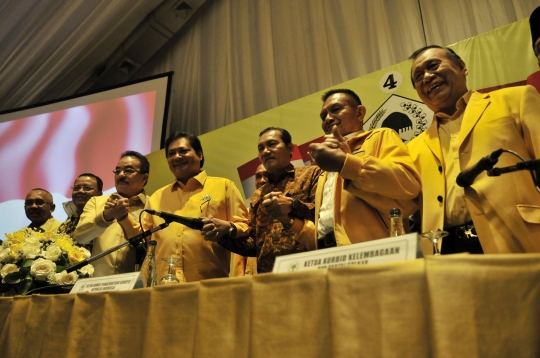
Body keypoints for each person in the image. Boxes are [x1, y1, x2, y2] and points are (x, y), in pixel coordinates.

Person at [408, 45, 540, 254]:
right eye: (418, 76)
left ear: (461, 66)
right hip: (446, 251)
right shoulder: (413, 147)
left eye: (433, 66)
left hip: (519, 237)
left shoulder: (517, 98)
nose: (426, 77)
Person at [292, 89, 420, 249]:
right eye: (323, 116)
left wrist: (347, 162)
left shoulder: (381, 136)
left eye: (336, 109)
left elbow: (408, 185)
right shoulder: (323, 165)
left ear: (360, 113)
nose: (328, 118)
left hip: (377, 251)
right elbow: (328, 225)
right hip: (329, 255)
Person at [120, 132, 250, 282]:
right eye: (171, 154)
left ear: (200, 154)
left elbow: (245, 226)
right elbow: (142, 238)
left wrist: (229, 228)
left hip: (209, 284)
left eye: (183, 151)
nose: (176, 157)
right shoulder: (158, 196)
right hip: (163, 285)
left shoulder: (224, 187)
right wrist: (123, 217)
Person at [209, 127, 322, 273]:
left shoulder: (312, 174)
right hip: (269, 279)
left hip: (309, 270)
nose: (266, 151)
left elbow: (323, 216)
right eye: (261, 148)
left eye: (272, 144)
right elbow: (254, 245)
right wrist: (223, 234)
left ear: (289, 148)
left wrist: (293, 205)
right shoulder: (257, 195)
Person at [74, 151, 150, 276]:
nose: (121, 175)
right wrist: (106, 217)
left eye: (129, 171)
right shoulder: (96, 202)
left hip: (136, 287)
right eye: (117, 171)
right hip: (99, 285)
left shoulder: (152, 205)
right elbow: (81, 237)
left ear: (145, 178)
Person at [231, 163, 268, 276]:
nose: (262, 180)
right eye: (258, 176)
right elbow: (239, 262)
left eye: (267, 175)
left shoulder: (291, 210)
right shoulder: (248, 215)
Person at [57, 173, 103, 237]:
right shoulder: (66, 224)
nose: (80, 191)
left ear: (99, 194)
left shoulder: (104, 220)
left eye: (87, 188)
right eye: (76, 188)